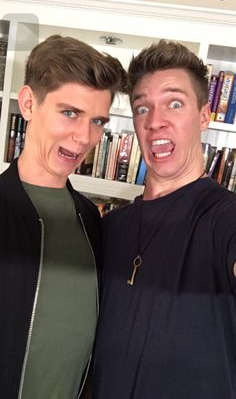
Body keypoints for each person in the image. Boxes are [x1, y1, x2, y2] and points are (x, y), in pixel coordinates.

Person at [92, 39, 236, 398]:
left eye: (175, 103)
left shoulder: (224, 218)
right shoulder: (109, 227)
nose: (156, 122)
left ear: (204, 116)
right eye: (142, 109)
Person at [0, 34, 127, 399]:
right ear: (28, 103)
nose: (84, 136)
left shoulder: (90, 218)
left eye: (98, 121)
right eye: (70, 112)